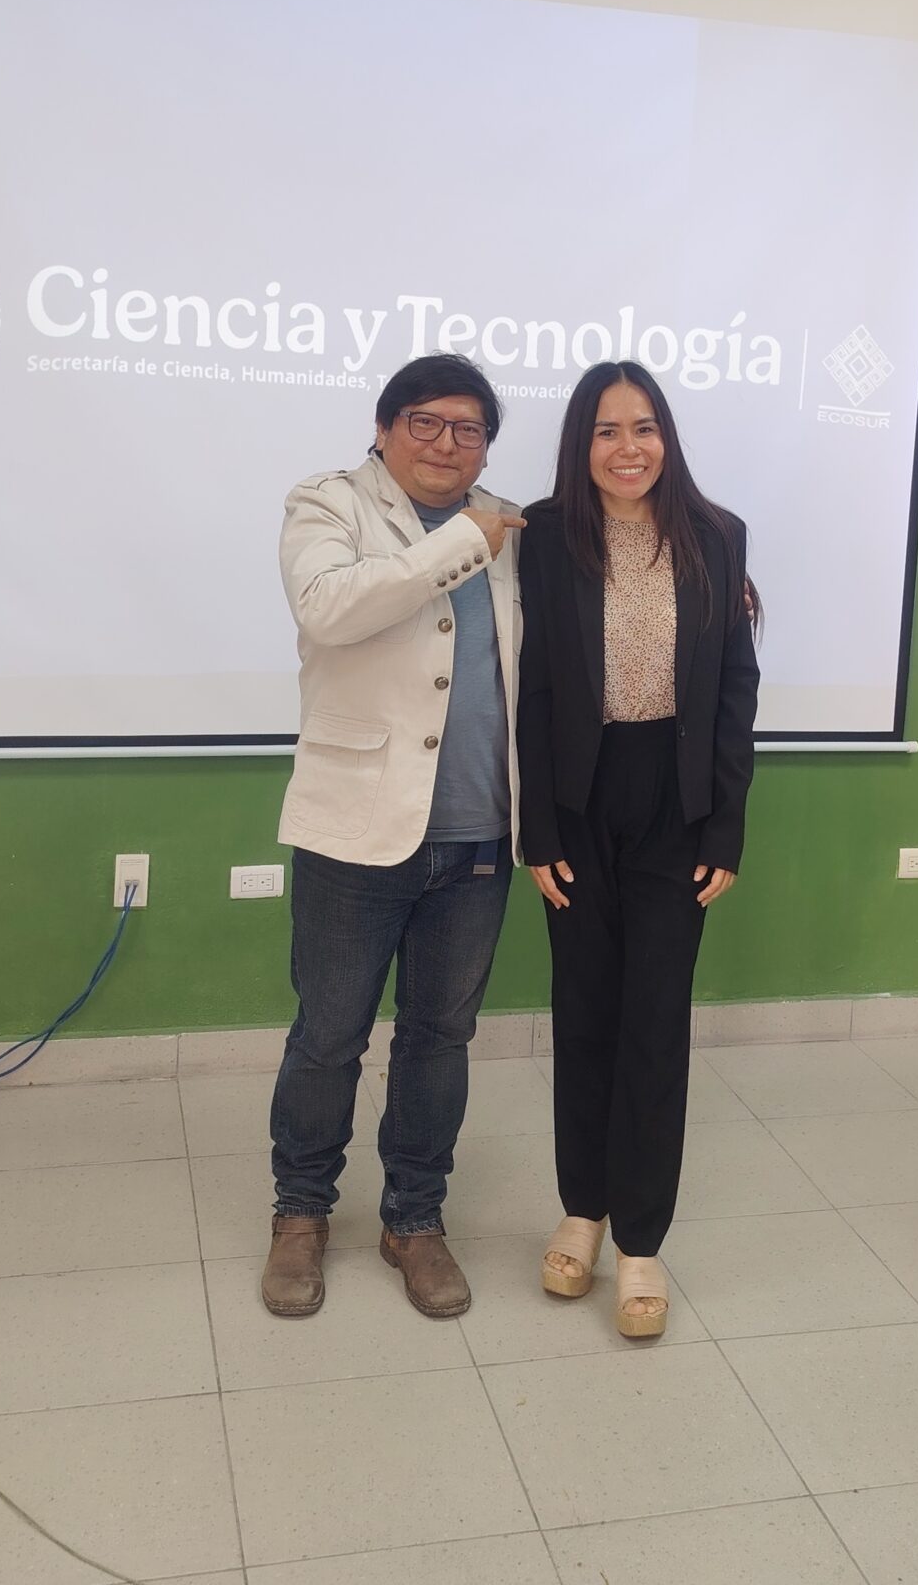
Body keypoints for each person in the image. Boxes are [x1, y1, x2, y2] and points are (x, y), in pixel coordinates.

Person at [263, 354, 525, 1322]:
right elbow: (329, 608)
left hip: (479, 832)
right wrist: (458, 542)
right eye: (426, 421)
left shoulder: (508, 525)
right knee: (329, 1035)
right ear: (383, 429)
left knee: (439, 1037)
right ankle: (301, 1212)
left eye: (469, 428)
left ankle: (414, 1217)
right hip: (354, 833)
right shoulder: (327, 504)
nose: (448, 442)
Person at [516, 360, 760, 1339]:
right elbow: (535, 687)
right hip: (578, 802)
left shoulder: (717, 534)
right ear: (582, 443)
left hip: (677, 804)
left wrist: (727, 825)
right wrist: (537, 827)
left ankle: (642, 1239)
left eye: (645, 426)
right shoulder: (547, 535)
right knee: (584, 1012)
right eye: (607, 430)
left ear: (668, 437)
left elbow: (736, 685)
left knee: (656, 1019)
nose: (629, 448)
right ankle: (583, 1208)